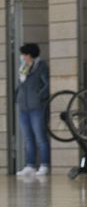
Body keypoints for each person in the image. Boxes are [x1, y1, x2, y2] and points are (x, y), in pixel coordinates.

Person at [15, 43, 50, 177]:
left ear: (29, 55)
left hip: (37, 107)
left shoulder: (41, 67)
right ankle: (30, 164)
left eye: (24, 54)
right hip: (24, 106)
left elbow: (47, 85)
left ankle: (44, 164)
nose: (22, 57)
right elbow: (21, 84)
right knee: (28, 138)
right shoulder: (23, 68)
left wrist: (39, 96)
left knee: (40, 137)